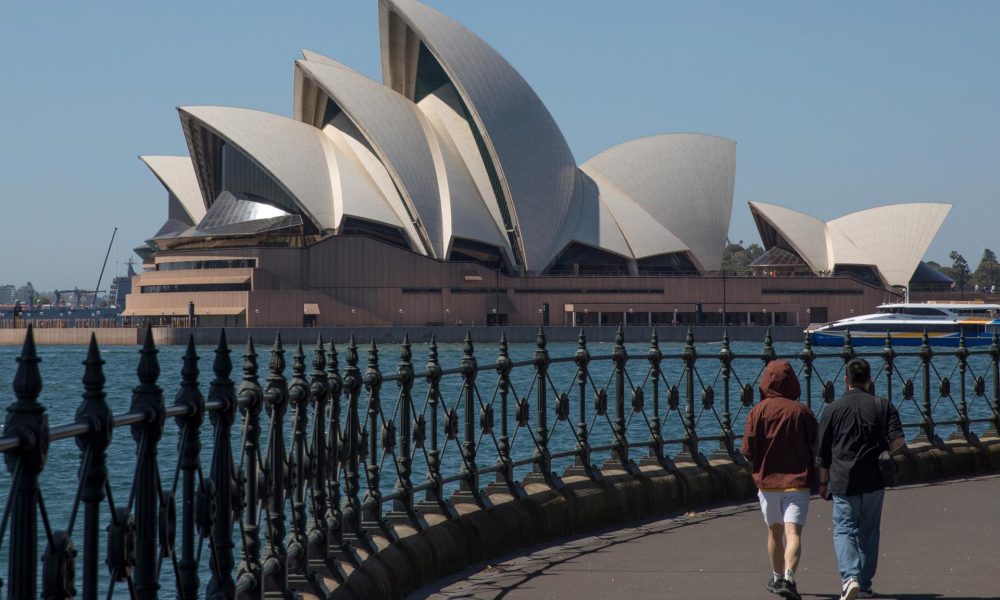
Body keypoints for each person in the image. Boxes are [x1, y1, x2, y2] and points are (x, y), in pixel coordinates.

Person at [817, 358, 906, 600]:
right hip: (874, 478)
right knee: (868, 531)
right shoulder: (882, 405)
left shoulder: (832, 410)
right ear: (869, 380)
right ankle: (864, 585)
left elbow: (823, 454)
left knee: (844, 530)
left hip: (843, 480)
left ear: (845, 381)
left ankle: (850, 578)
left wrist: (823, 483)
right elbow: (898, 442)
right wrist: (882, 449)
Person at [742, 360, 818, 600]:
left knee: (774, 533)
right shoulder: (801, 411)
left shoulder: (758, 411)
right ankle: (789, 578)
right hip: (798, 481)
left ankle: (776, 578)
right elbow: (815, 443)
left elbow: (747, 450)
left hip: (768, 482)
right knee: (793, 533)